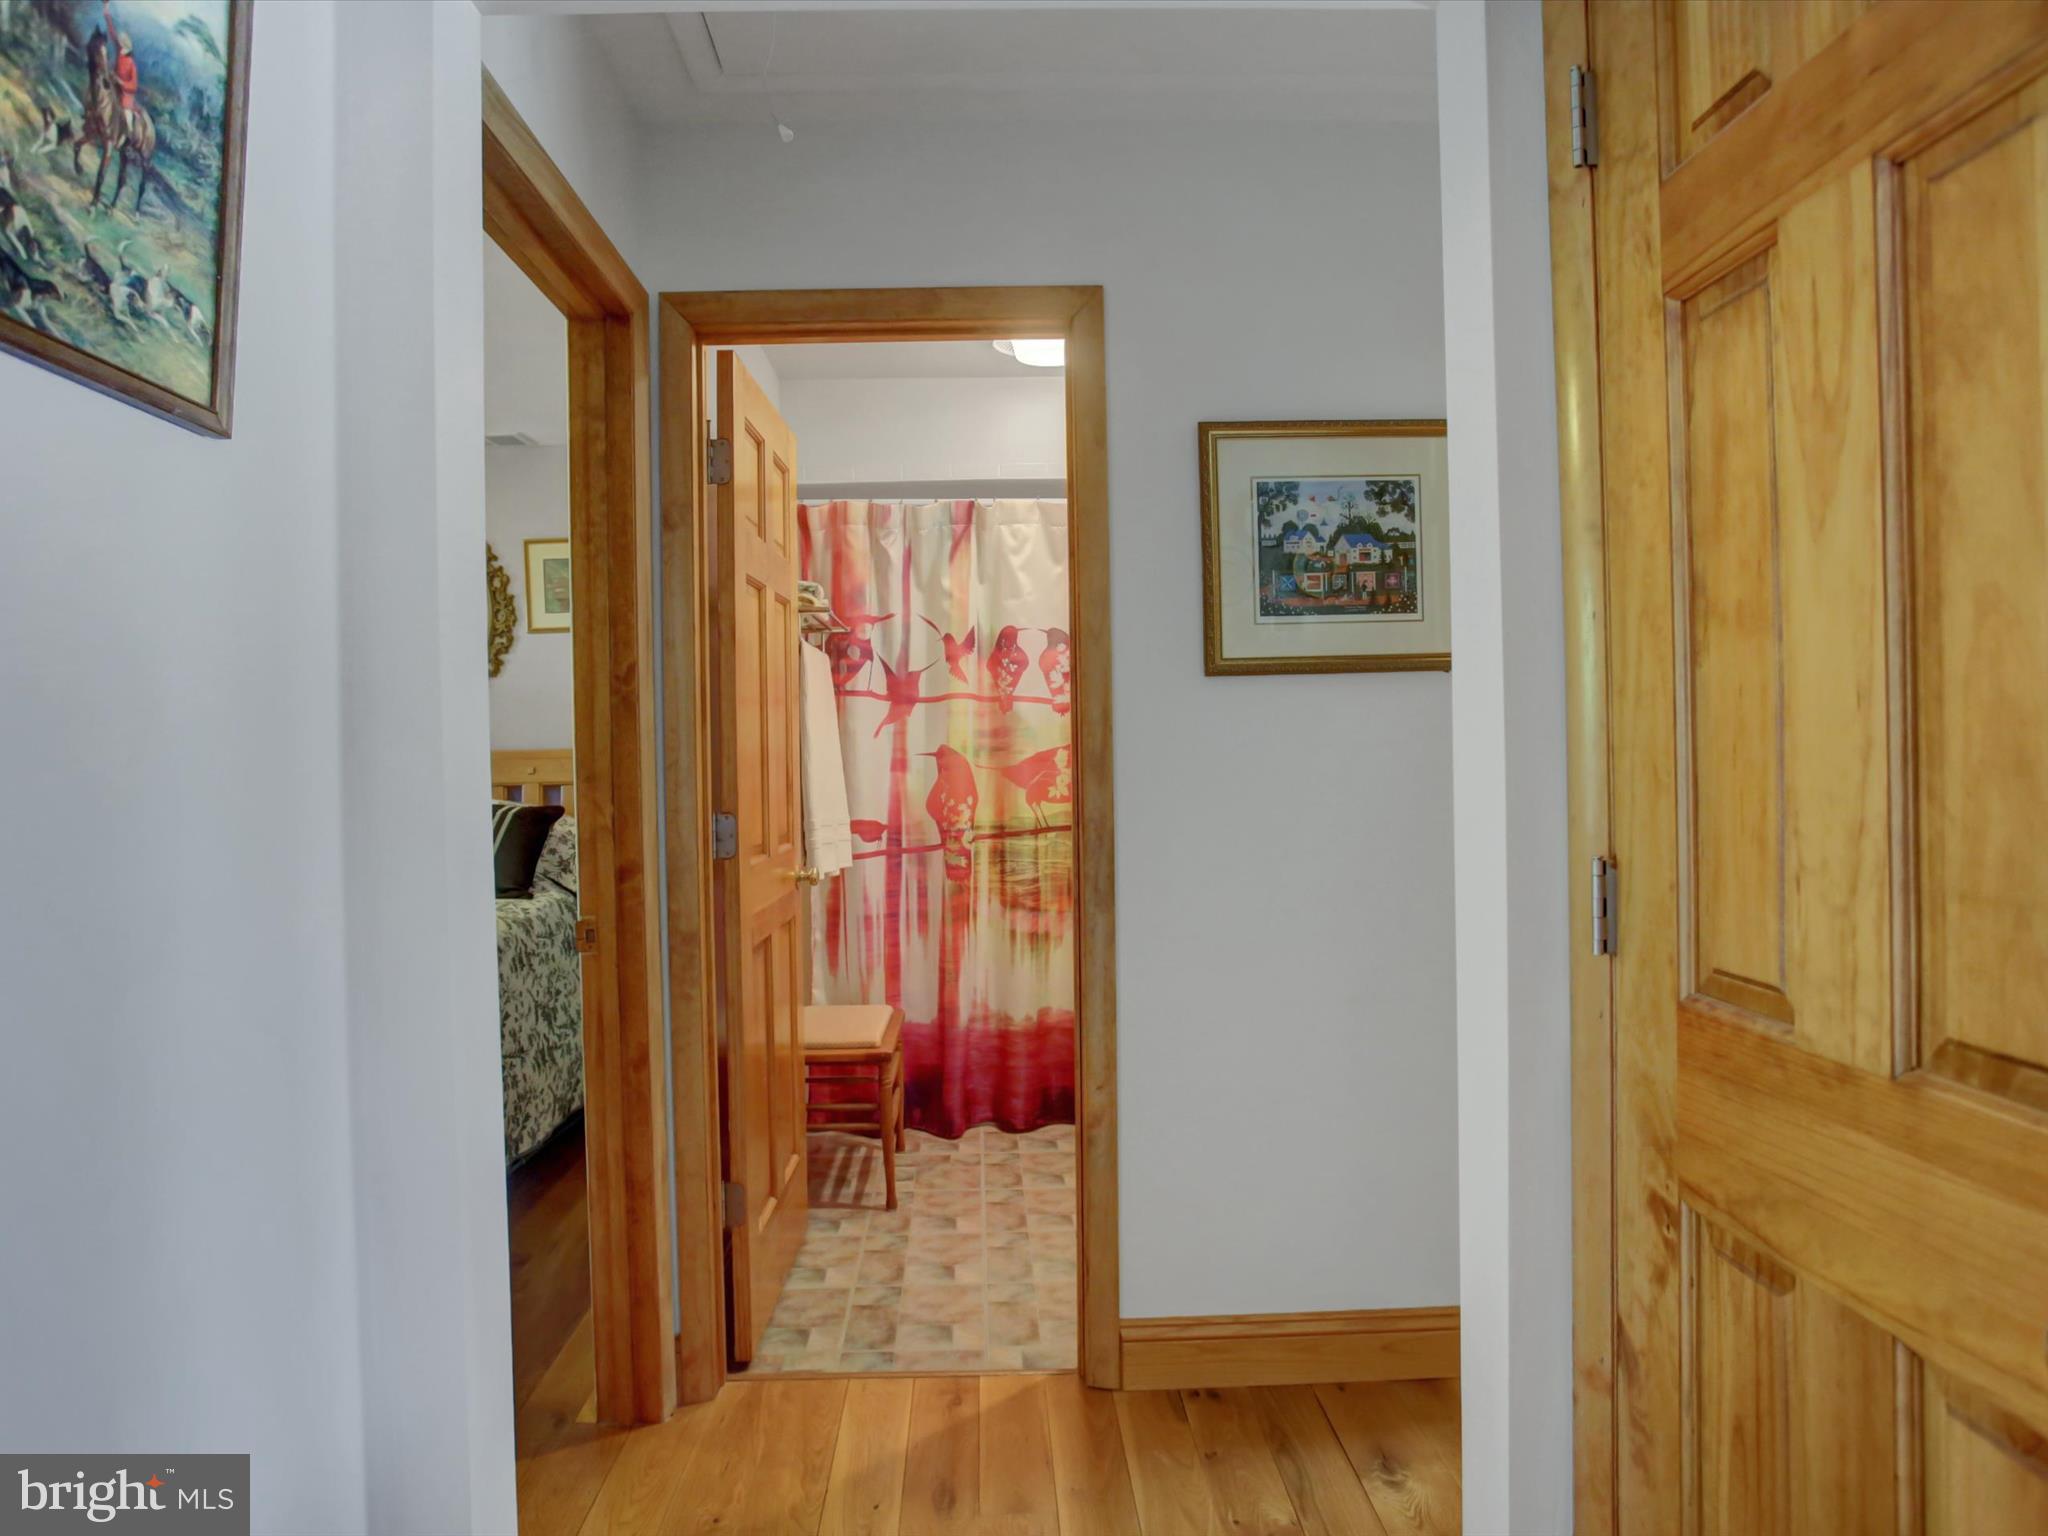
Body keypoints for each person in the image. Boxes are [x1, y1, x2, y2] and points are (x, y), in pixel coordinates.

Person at [102, 1, 138, 138]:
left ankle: (129, 135)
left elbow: (133, 85)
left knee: (125, 111)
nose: (120, 44)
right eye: (120, 42)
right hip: (114, 85)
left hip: (125, 94)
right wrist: (106, 11)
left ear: (127, 46)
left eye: (123, 43)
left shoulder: (131, 63)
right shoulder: (119, 50)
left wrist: (121, 82)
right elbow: (112, 31)